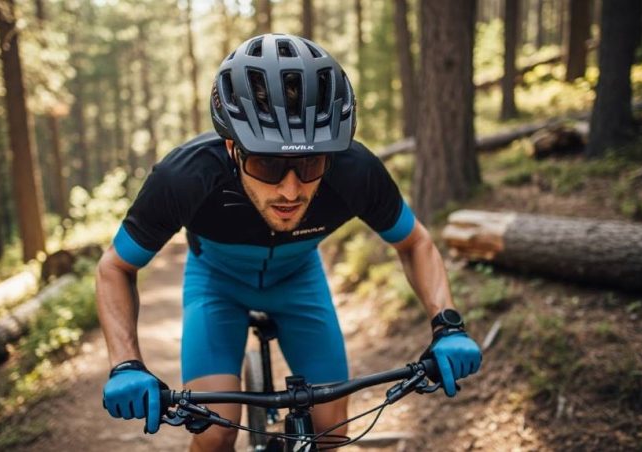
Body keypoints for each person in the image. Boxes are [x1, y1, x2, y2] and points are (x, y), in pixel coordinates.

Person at [96, 33, 482, 451]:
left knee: (332, 433)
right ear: (233, 148)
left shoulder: (356, 171)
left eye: (311, 163)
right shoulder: (186, 177)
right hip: (215, 284)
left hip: (299, 279)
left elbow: (416, 243)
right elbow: (115, 267)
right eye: (267, 164)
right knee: (216, 432)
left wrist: (448, 325)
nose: (290, 190)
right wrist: (126, 364)